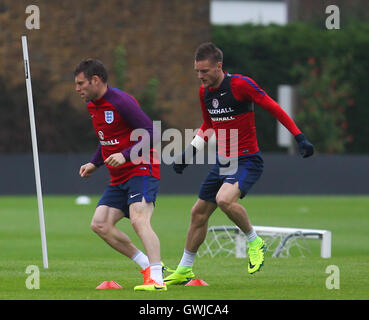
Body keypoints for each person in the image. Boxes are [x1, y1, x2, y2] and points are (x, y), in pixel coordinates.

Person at [164, 42, 314, 285]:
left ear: (218, 66)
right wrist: (189, 153)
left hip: (247, 160)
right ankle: (185, 269)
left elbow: (274, 108)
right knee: (198, 213)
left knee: (224, 199)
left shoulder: (240, 85)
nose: (200, 77)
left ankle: (255, 242)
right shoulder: (205, 92)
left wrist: (299, 137)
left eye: (204, 71)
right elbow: (209, 125)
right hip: (223, 162)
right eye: (197, 72)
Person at [74, 58, 166, 291]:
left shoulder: (121, 101)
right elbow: (107, 140)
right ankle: (147, 265)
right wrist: (95, 163)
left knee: (138, 219)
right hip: (119, 178)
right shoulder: (93, 106)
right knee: (100, 224)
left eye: (81, 83)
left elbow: (153, 133)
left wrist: (126, 155)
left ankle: (157, 280)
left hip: (141, 168)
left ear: (96, 80)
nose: (77, 89)